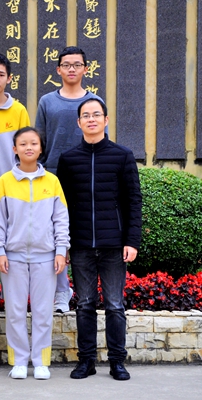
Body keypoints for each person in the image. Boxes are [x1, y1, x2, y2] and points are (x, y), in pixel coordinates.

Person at [56, 98, 142, 381]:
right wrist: (63, 244)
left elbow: (133, 200)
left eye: (96, 114)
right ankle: (86, 361)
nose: (91, 119)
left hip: (114, 245)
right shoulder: (69, 159)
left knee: (115, 305)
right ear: (78, 122)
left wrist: (132, 241)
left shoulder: (122, 155)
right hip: (81, 245)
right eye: (86, 115)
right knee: (84, 304)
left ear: (105, 120)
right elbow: (62, 206)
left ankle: (117, 362)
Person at [0, 127, 70, 380]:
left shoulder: (52, 182)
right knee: (15, 312)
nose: (28, 147)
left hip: (45, 258)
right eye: (23, 144)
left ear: (41, 148)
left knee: (43, 312)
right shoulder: (4, 182)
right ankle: (19, 361)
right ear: (15, 149)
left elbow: (61, 220)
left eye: (33, 143)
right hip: (12, 257)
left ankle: (41, 361)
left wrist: (61, 251)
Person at [35, 46, 101, 313]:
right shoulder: (47, 101)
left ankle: (84, 290)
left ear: (86, 69)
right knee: (54, 234)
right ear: (58, 69)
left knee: (82, 234)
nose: (71, 69)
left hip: (86, 176)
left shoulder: (94, 101)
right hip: (52, 175)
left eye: (77, 64)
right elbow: (39, 141)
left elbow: (101, 139)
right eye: (66, 65)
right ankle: (62, 291)